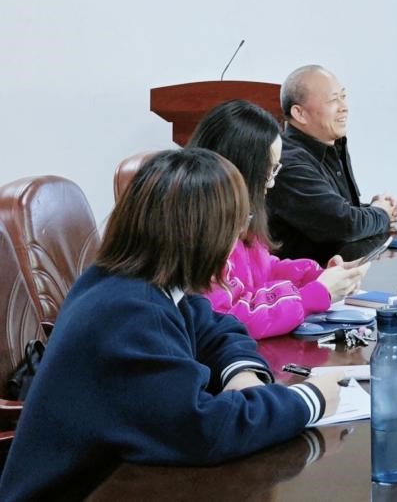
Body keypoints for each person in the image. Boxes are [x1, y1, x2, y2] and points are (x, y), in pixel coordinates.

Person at [0, 149, 341, 501]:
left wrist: (242, 374)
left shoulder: (132, 281)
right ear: (205, 235)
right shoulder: (130, 313)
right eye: (237, 224)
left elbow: (215, 326)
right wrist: (310, 399)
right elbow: (201, 431)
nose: (238, 238)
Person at [188, 99, 369, 339]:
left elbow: (264, 269)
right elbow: (231, 317)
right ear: (243, 170)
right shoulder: (202, 233)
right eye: (269, 171)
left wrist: (318, 277)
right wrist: (315, 294)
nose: (272, 183)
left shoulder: (238, 218)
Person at [267, 64, 397, 263]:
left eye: (343, 96)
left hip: (343, 269)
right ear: (299, 113)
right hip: (307, 277)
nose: (344, 107)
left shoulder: (332, 145)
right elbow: (344, 226)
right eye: (332, 100)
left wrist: (377, 209)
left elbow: (336, 211)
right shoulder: (288, 161)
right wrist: (381, 212)